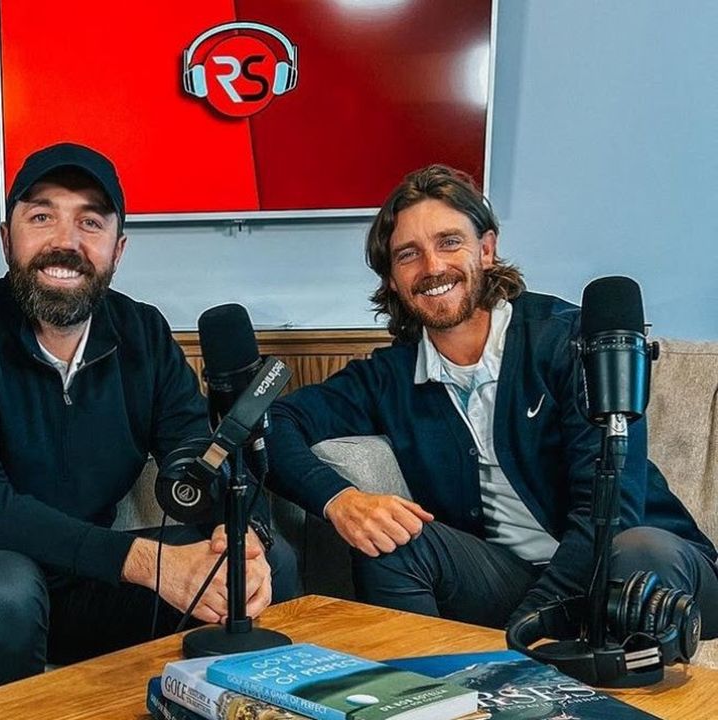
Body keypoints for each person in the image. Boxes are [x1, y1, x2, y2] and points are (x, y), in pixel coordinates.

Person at [0, 143, 299, 696]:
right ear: (7, 238)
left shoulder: (144, 333)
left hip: (85, 579)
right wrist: (145, 561)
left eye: (90, 221)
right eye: (41, 217)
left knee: (265, 564)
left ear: (118, 248)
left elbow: (200, 453)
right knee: (8, 587)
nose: (66, 242)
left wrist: (239, 535)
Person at [266, 164, 717, 633]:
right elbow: (272, 424)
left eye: (449, 242)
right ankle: (421, 697)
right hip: (516, 580)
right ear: (393, 280)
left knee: (637, 552)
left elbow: (609, 513)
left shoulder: (571, 341)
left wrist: (526, 630)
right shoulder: (390, 376)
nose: (433, 267)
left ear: (486, 249)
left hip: (646, 569)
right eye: (408, 255)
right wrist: (340, 499)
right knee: (393, 541)